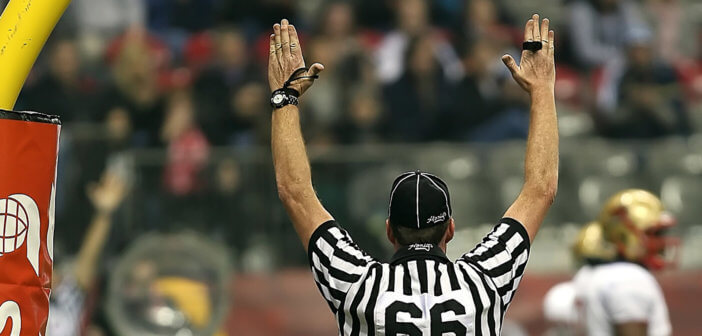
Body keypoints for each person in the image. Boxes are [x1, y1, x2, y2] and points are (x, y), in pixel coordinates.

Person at [268, 14, 558, 335]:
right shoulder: (483, 282)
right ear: (450, 229)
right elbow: (540, 189)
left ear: (390, 231)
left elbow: (294, 192)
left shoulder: (358, 285)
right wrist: (542, 90)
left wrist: (285, 97)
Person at [579, 189, 676, 336]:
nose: (661, 243)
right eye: (654, 233)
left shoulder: (592, 274)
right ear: (624, 234)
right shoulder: (631, 279)